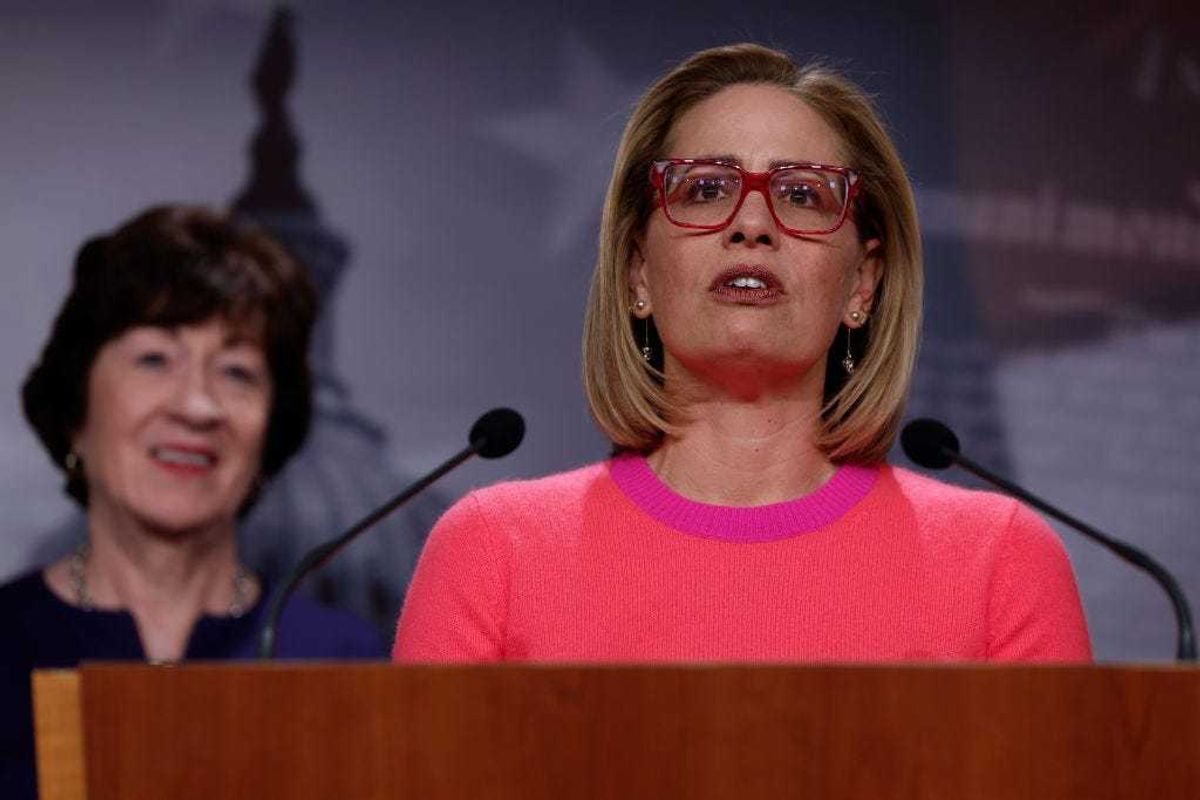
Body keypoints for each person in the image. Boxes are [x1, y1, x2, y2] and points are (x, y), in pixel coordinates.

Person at [394, 44, 1092, 663]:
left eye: (801, 194)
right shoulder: (493, 554)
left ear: (863, 283)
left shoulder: (1000, 563)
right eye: (704, 189)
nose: (752, 224)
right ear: (638, 272)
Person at [0, 206, 385, 799]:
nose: (199, 407)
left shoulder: (346, 664)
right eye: (155, 359)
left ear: (269, 434)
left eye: (237, 372)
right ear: (76, 412)